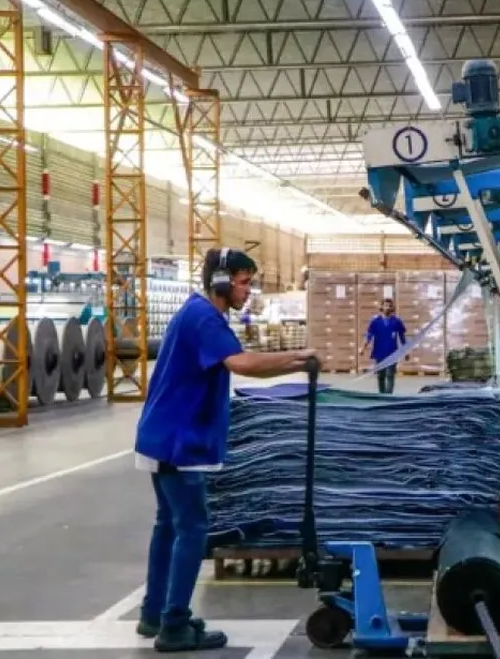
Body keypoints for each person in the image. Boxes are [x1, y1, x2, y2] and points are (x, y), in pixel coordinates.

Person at [133, 247, 319, 652]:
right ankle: (174, 626)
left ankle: (154, 613)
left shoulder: (195, 312)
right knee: (192, 528)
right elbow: (241, 363)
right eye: (244, 282)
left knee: (169, 526)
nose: (248, 291)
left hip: (160, 435)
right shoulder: (204, 317)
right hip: (179, 441)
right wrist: (298, 359)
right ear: (221, 281)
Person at [360, 298, 407, 394]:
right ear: (381, 307)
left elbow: (402, 337)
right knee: (380, 375)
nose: (388, 308)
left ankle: (388, 396)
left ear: (392, 307)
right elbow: (369, 336)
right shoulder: (375, 321)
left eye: (390, 306)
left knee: (390, 375)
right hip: (379, 352)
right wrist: (363, 348)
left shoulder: (397, 321)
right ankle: (381, 394)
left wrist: (406, 351)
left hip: (392, 353)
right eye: (386, 305)